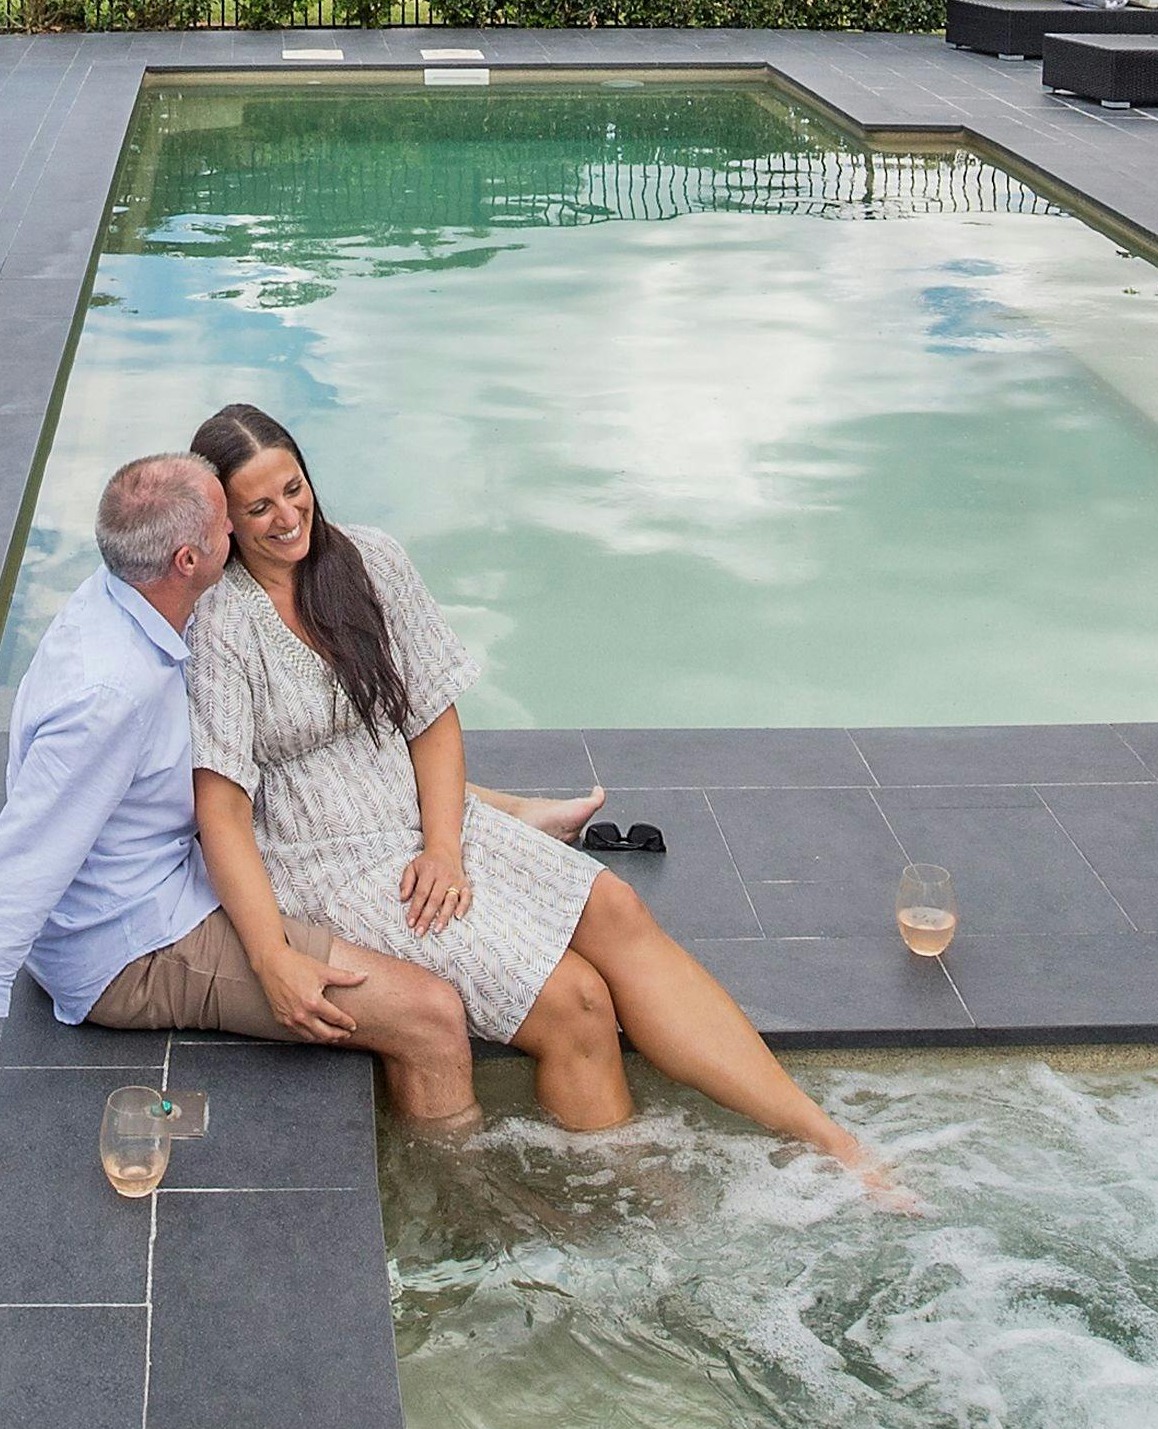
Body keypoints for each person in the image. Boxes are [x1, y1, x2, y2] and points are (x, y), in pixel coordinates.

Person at [183, 402, 886, 1184]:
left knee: (617, 907)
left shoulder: (370, 561)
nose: (288, 516)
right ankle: (636, 1205)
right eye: (260, 506)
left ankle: (828, 1138)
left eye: (294, 487)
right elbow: (223, 809)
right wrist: (270, 952)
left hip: (426, 824)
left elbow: (432, 721)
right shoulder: (222, 623)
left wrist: (445, 844)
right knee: (575, 999)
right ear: (226, 520)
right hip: (328, 862)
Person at [0, 450, 475, 1174]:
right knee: (431, 1014)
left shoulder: (131, 587)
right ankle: (451, 1210)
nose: (247, 531)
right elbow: (11, 879)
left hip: (168, 860)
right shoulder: (109, 696)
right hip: (134, 940)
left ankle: (500, 811)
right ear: (189, 556)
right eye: (230, 523)